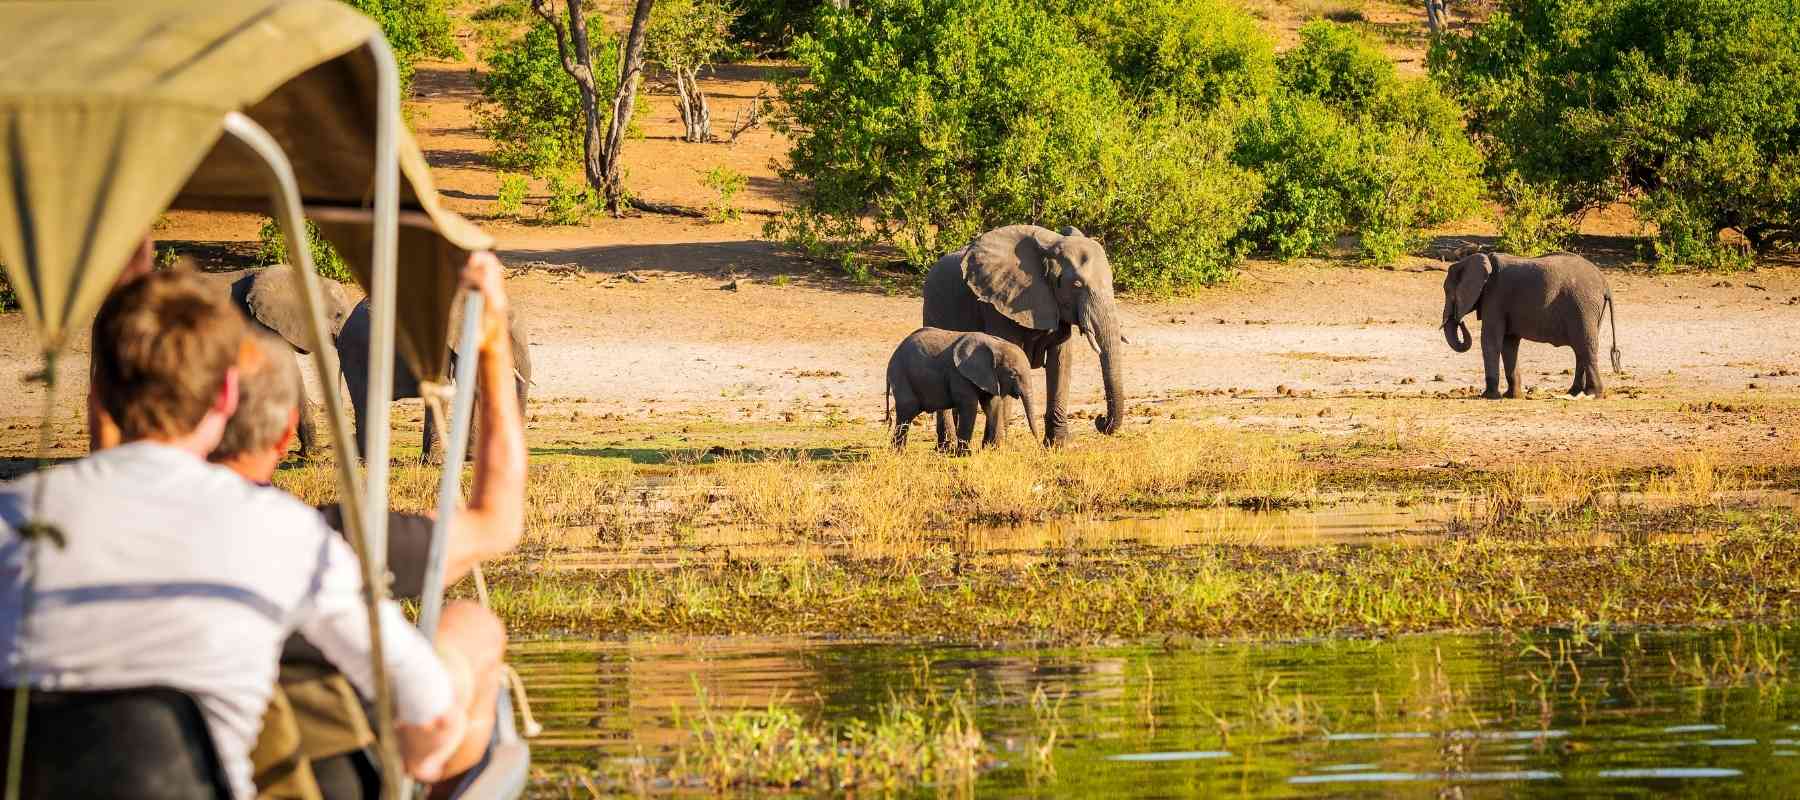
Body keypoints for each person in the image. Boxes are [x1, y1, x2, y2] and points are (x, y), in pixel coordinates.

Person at [0, 270, 489, 799]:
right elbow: (430, 709)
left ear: (96, 393)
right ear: (227, 392)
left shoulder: (9, 519)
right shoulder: (284, 532)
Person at [212, 252, 525, 798]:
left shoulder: (27, 530)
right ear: (288, 433)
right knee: (472, 627)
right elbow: (497, 524)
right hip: (306, 766)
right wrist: (493, 345)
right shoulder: (316, 545)